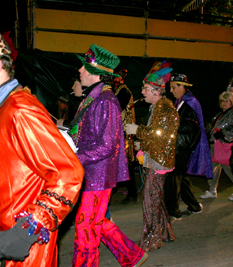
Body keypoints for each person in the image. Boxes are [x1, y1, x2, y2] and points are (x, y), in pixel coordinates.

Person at [0, 19, 84, 267]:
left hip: (23, 255)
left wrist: (26, 230)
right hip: (0, 245)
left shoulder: (20, 110)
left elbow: (69, 173)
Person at [70, 44, 147, 267]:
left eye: (84, 68)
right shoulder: (92, 98)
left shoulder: (106, 101)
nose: (80, 71)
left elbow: (106, 146)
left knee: (86, 227)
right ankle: (132, 255)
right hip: (89, 173)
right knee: (95, 221)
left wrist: (75, 158)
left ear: (94, 72)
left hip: (97, 176)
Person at [125, 61, 179, 252]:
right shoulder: (159, 106)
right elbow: (158, 134)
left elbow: (160, 135)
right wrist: (143, 143)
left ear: (156, 91)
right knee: (156, 198)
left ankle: (151, 239)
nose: (142, 92)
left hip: (158, 161)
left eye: (146, 89)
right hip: (156, 159)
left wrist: (137, 130)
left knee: (150, 200)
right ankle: (165, 232)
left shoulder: (163, 108)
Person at [164, 73, 213, 222]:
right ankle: (194, 206)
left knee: (173, 178)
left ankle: (173, 212)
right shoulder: (181, 101)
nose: (171, 91)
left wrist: (171, 125)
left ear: (182, 86)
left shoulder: (190, 102)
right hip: (180, 146)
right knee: (181, 177)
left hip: (182, 147)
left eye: (173, 87)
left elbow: (193, 126)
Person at [200, 91, 233, 201]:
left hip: (225, 146)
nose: (224, 103)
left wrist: (222, 134)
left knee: (229, 168)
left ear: (232, 102)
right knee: (212, 168)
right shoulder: (219, 114)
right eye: (223, 101)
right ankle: (212, 189)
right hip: (215, 145)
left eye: (227, 101)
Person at [113, 69, 139, 205]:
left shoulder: (124, 92)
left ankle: (133, 193)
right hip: (119, 131)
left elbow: (116, 109)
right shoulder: (117, 91)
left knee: (127, 164)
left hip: (124, 132)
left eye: (116, 77)